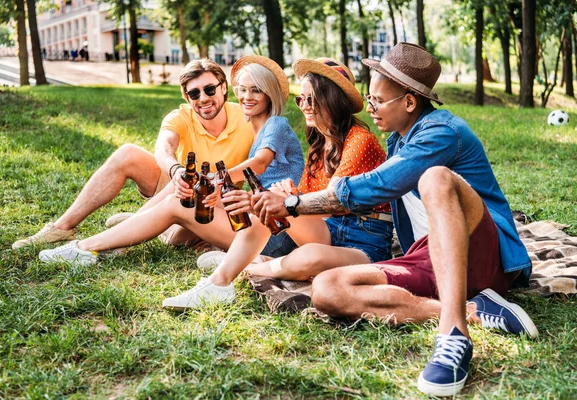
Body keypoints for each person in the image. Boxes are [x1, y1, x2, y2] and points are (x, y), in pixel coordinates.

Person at [250, 43, 537, 397]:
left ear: (410, 102)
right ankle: (476, 310)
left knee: (435, 177)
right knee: (327, 289)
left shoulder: (441, 132)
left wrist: (292, 204)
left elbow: (375, 187)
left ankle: (453, 335)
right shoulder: (397, 141)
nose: (369, 109)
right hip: (430, 257)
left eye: (376, 101)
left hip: (483, 253)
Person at [161, 57, 394, 310]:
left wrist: (287, 202)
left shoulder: (359, 139)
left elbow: (330, 201)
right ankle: (219, 283)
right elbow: (307, 200)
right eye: (300, 99)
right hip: (330, 229)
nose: (304, 106)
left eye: (311, 99)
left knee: (307, 256)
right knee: (270, 203)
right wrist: (289, 195)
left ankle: (248, 264)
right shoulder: (320, 144)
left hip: (364, 241)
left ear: (332, 100)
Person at [37, 55, 305, 265]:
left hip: (273, 232)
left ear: (222, 89)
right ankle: (108, 230)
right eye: (243, 90)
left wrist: (213, 182)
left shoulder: (274, 125)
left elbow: (258, 164)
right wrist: (191, 177)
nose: (247, 97)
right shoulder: (254, 125)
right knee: (179, 197)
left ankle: (85, 248)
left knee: (180, 202)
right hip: (260, 219)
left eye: (256, 90)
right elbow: (163, 147)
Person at [13, 58, 254, 251]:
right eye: (194, 94)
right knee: (127, 153)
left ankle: (139, 224)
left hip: (213, 199)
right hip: (176, 185)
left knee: (178, 237)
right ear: (186, 97)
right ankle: (62, 227)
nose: (203, 98)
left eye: (210, 89)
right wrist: (175, 170)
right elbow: (163, 147)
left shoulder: (246, 119)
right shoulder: (179, 116)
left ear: (224, 88)